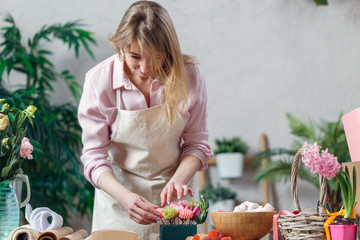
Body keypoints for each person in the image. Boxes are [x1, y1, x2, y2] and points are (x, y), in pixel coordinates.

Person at [78, 1, 213, 239]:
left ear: (168, 50)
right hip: (119, 203)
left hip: (176, 205)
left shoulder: (190, 74)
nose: (145, 68)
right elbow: (93, 158)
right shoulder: (99, 81)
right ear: (120, 47)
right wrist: (125, 198)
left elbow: (197, 145)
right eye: (135, 57)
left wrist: (178, 181)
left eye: (156, 57)